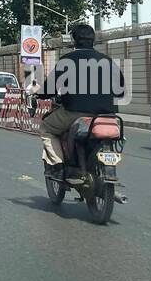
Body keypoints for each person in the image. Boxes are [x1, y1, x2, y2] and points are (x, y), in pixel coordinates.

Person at [37, 23, 121, 178]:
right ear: (93, 40)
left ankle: (57, 165)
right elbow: (121, 91)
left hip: (74, 113)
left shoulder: (67, 60)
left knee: (46, 128)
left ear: (73, 41)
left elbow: (49, 90)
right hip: (107, 115)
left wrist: (40, 94)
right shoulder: (108, 61)